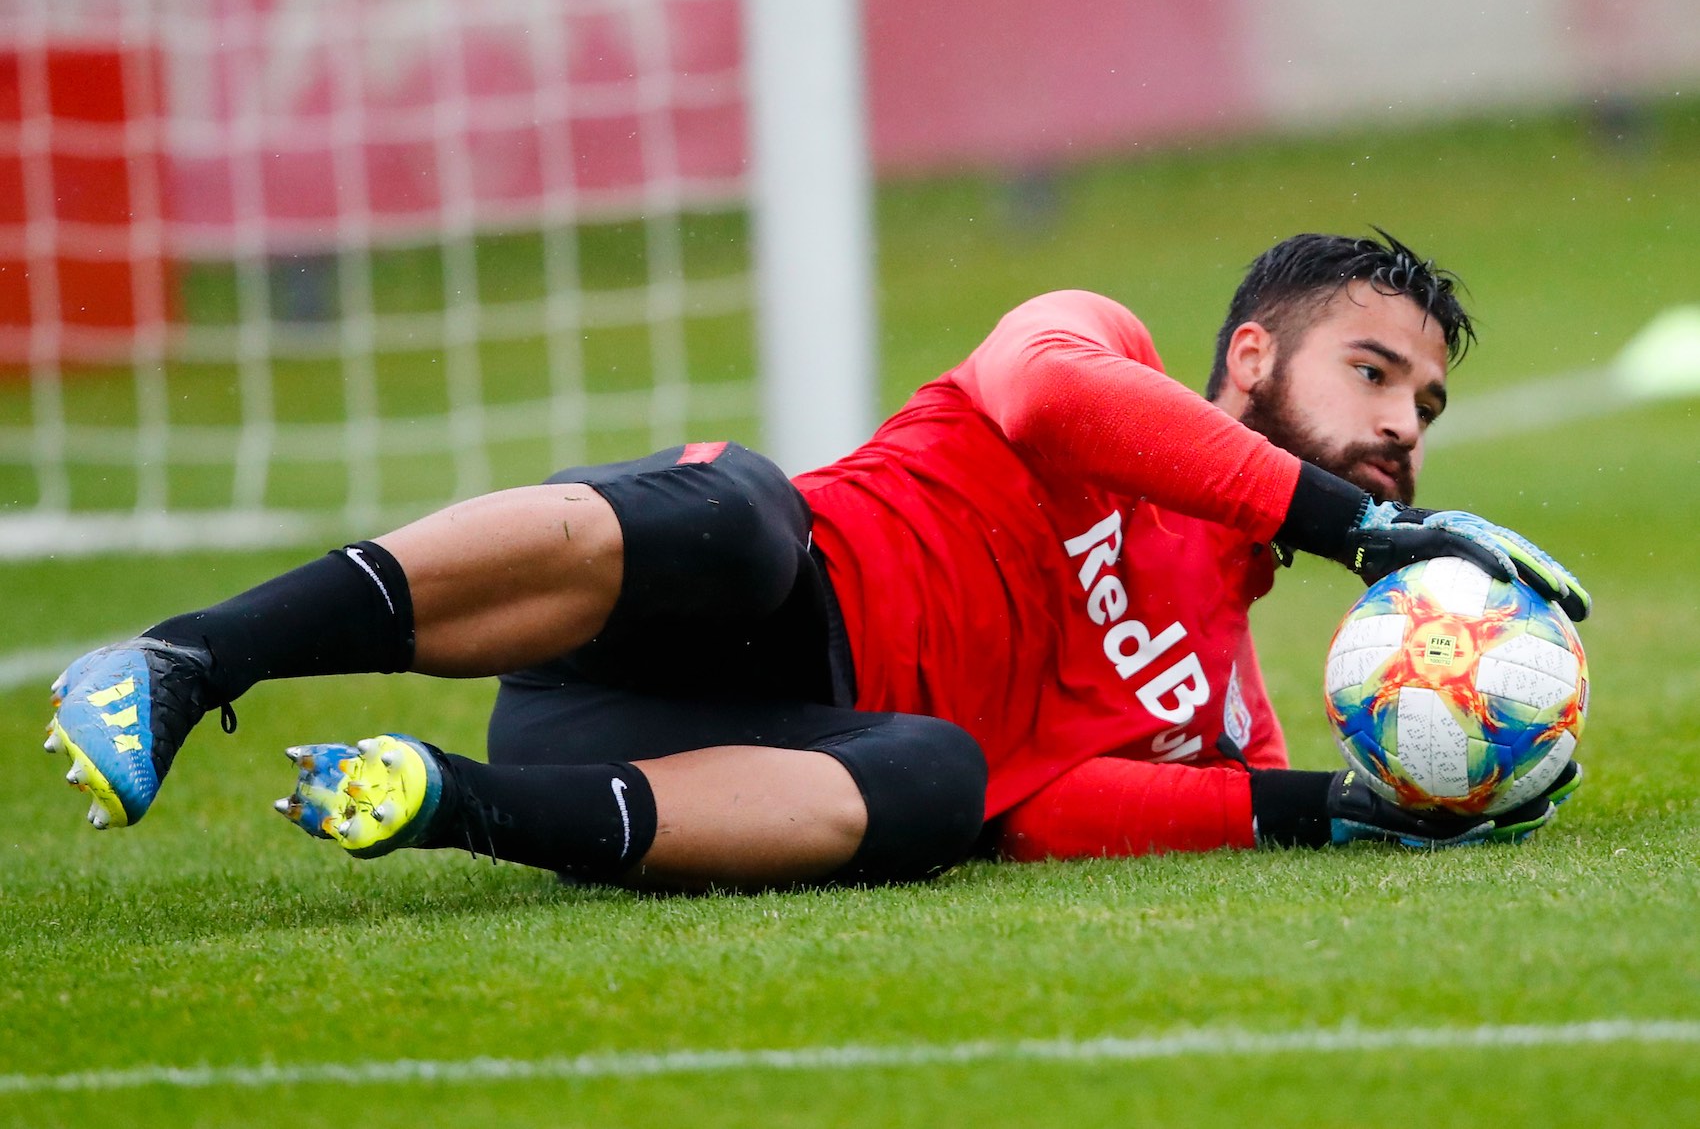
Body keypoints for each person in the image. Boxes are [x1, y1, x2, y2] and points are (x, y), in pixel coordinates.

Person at [43, 230, 1590, 891]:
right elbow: (1052, 398)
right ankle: (191, 657)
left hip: (682, 756)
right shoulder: (1094, 342)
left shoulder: (1226, 702)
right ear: (1249, 356)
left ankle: (449, 802)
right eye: (1375, 373)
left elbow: (1048, 812)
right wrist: (1368, 535)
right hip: (670, 592)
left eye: (1428, 410)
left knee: (941, 784)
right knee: (748, 520)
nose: (1405, 427)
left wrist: (1350, 804)